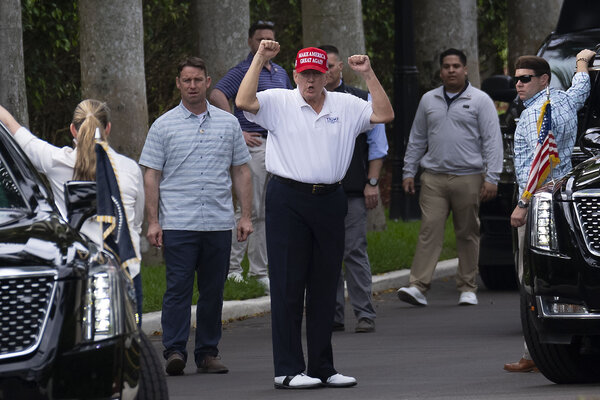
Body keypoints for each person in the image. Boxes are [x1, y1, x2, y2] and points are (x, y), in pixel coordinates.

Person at [236, 40, 394, 389]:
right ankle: (287, 369)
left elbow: (383, 114)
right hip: (288, 198)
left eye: (316, 74)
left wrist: (368, 74)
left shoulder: (346, 104)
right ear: (295, 75)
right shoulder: (279, 100)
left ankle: (323, 367)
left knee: (325, 284)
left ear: (327, 75)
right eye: (304, 74)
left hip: (330, 198)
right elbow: (244, 101)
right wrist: (260, 58)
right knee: (288, 285)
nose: (309, 81)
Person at [139, 56, 253, 376]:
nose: (192, 86)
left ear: (208, 81)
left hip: (218, 221)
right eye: (186, 80)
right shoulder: (163, 125)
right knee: (177, 288)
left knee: (213, 290)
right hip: (178, 222)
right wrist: (153, 221)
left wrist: (245, 216)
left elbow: (242, 171)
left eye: (197, 80)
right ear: (178, 83)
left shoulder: (229, 123)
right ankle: (174, 350)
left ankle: (207, 353)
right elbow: (152, 175)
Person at [0, 100, 145, 322]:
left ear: (72, 129)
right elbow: (135, 222)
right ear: (107, 128)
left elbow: (14, 128)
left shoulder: (55, 162)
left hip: (81, 273)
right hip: (126, 270)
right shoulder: (130, 169)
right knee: (130, 345)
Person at [504, 49, 595, 373]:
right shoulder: (566, 100)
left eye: (525, 79)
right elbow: (581, 87)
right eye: (515, 79)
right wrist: (582, 63)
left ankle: (534, 351)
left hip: (539, 200)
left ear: (543, 79)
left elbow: (536, 165)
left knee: (529, 278)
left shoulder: (536, 113)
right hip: (559, 198)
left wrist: (523, 204)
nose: (518, 85)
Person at [398, 48, 503, 307]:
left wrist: (492, 177)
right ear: (441, 70)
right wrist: (408, 171)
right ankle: (417, 286)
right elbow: (417, 138)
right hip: (433, 177)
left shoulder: (480, 100)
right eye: (447, 66)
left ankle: (467, 287)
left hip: (469, 177)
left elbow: (492, 140)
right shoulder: (428, 100)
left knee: (467, 232)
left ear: (465, 69)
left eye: (456, 66)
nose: (451, 70)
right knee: (429, 230)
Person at [210, 21, 293, 291]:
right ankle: (235, 270)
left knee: (267, 212)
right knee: (249, 209)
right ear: (250, 42)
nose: (265, 44)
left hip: (277, 147)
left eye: (270, 39)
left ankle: (259, 272)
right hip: (253, 146)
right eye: (260, 39)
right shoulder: (243, 70)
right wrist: (236, 127)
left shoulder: (281, 73)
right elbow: (217, 93)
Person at [318, 45, 388, 334]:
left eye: (331, 66)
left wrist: (372, 183)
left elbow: (377, 146)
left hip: (352, 191)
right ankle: (332, 315)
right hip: (317, 191)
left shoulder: (360, 100)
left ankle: (364, 313)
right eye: (321, 67)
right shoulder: (303, 102)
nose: (326, 71)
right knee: (324, 254)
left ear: (340, 68)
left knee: (354, 250)